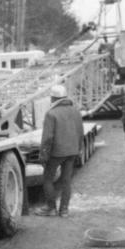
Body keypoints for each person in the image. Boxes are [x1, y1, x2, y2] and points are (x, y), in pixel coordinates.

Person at [34, 84, 84, 217]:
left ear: (53, 98)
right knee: (66, 180)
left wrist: (43, 156)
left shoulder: (51, 114)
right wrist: (78, 149)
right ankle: (64, 210)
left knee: (48, 179)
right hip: (72, 151)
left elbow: (47, 138)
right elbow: (80, 132)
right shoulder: (75, 110)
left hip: (57, 153)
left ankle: (51, 208)